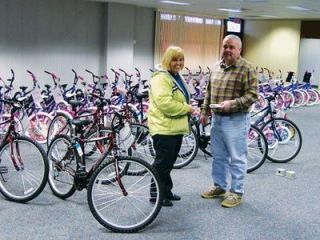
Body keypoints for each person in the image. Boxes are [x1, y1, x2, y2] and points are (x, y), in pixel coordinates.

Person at [200, 35, 258, 208]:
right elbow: (208, 92)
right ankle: (219, 186)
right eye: (225, 46)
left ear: (239, 50)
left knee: (237, 157)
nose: (227, 50)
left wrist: (232, 104)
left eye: (231, 47)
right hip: (217, 119)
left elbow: (253, 95)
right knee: (218, 156)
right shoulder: (216, 67)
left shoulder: (247, 68)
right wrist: (204, 111)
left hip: (236, 120)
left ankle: (237, 192)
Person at [148, 46, 195, 207]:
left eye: (181, 59)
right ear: (167, 60)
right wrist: (186, 108)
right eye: (175, 59)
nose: (179, 63)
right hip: (164, 128)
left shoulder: (175, 76)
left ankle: (166, 190)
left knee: (168, 163)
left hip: (173, 127)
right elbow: (165, 103)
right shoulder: (161, 78)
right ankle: (156, 194)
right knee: (162, 163)